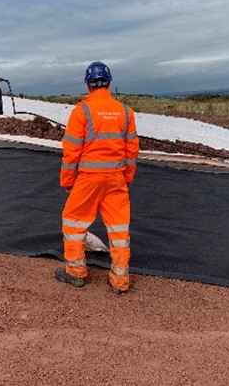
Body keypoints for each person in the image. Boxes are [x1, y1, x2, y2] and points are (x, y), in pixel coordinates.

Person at [55, 61, 140, 294]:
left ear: (88, 84)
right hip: (116, 179)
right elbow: (132, 151)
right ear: (109, 83)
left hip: (88, 179)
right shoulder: (126, 112)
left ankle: (75, 272)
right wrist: (127, 178)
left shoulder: (81, 111)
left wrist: (67, 181)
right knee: (119, 229)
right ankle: (120, 281)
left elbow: (71, 151)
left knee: (73, 221)